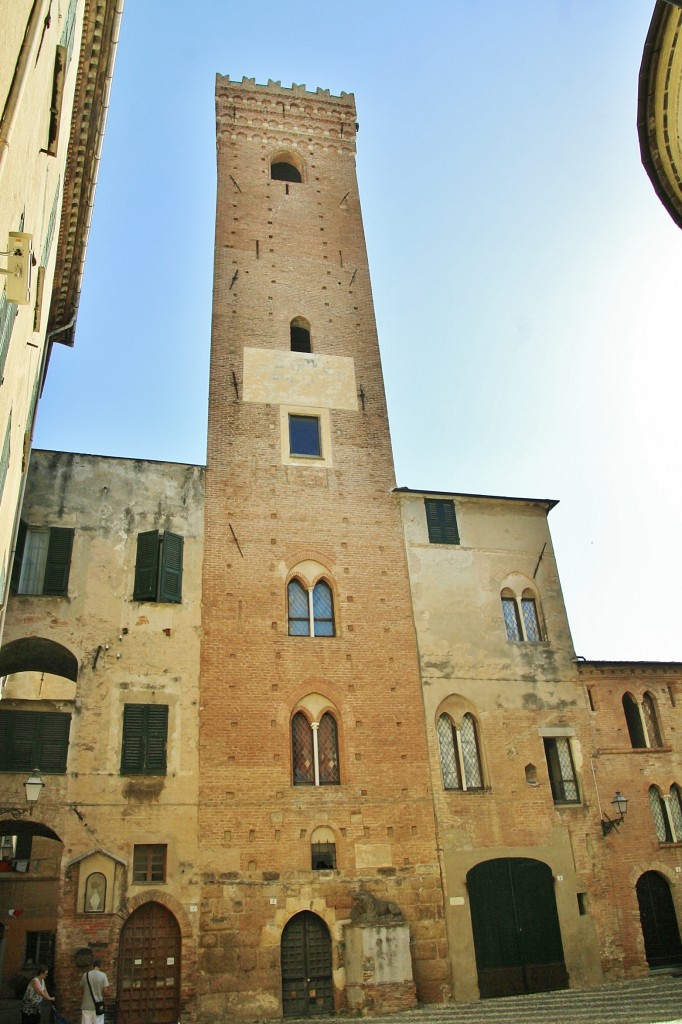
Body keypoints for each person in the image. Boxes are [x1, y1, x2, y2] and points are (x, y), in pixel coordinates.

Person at [80, 960, 110, 1024]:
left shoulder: (85, 975)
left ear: (93, 966)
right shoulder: (103, 975)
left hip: (86, 1006)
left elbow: (82, 989)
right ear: (100, 966)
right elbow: (105, 991)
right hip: (98, 1006)